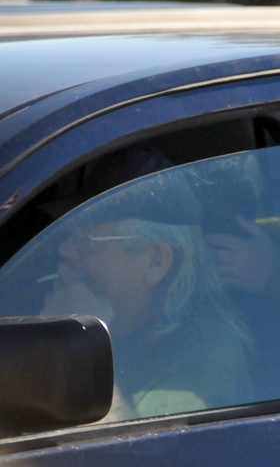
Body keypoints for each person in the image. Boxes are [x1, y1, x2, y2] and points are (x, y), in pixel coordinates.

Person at [38, 148, 252, 420]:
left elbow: (142, 455)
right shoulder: (123, 325)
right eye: (70, 235)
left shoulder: (207, 353)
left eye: (86, 241)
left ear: (155, 261)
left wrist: (79, 346)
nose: (65, 250)